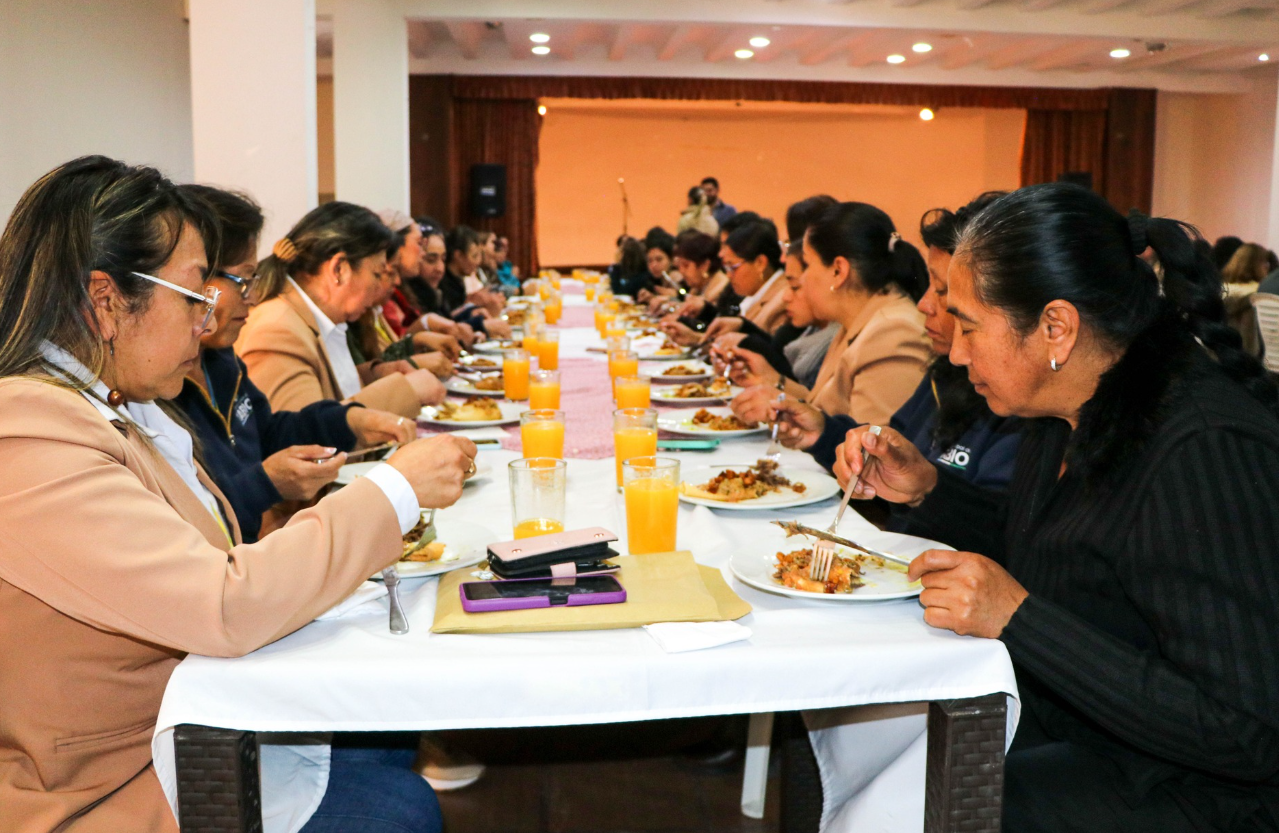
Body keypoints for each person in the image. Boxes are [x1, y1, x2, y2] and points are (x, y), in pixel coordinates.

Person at [0, 155, 477, 833]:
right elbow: (220, 597)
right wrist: (395, 491)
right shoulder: (26, 434)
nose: (210, 319)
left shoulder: (124, 402)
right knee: (400, 807)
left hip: (200, 717)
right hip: (118, 781)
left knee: (385, 734)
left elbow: (215, 553)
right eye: (194, 295)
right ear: (106, 300)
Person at [836, 183, 1279, 832]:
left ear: (1055, 327)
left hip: (1197, 790)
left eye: (967, 324)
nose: (954, 352)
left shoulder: (1202, 448)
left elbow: (1244, 727)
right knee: (873, 730)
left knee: (917, 796)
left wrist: (1018, 618)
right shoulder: (1063, 407)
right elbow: (1062, 554)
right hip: (1091, 728)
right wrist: (930, 487)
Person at [171, 185, 416, 543]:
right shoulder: (154, 383)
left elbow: (267, 430)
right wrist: (267, 483)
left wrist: (349, 421)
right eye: (243, 280)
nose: (252, 297)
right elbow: (188, 522)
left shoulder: (219, 357)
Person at [767, 193, 1019, 540]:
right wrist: (824, 434)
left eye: (943, 291)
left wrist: (927, 487)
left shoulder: (1021, 404)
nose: (924, 304)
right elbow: (890, 449)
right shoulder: (945, 372)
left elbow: (1007, 537)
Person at [236, 202, 446, 418]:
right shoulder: (277, 331)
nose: (378, 288)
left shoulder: (315, 317)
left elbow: (327, 391)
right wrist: (404, 391)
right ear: (339, 269)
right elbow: (305, 436)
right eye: (376, 274)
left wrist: (375, 374)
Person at [730, 202, 930, 424]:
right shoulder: (859, 322)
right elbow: (825, 411)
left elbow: (875, 447)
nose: (803, 279)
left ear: (838, 271)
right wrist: (774, 382)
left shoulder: (893, 333)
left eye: (807, 263)